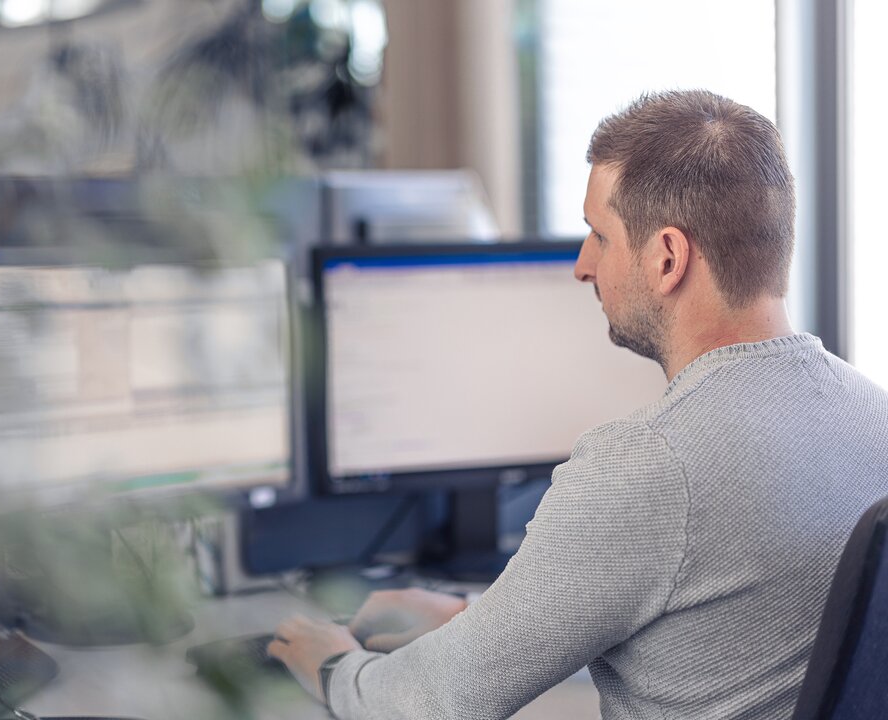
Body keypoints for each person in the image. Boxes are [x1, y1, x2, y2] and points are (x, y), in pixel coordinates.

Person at [267, 89, 888, 719]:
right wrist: (471, 619)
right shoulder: (874, 416)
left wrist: (332, 661)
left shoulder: (648, 463)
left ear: (667, 257)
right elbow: (724, 614)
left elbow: (427, 705)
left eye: (599, 235)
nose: (582, 265)